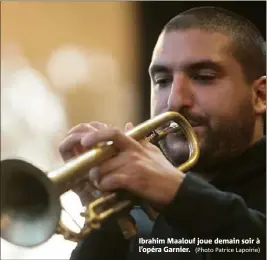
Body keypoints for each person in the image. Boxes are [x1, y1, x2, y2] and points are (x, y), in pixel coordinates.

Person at [59, 6, 266, 260]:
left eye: (203, 77)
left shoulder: (174, 196)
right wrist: (107, 222)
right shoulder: (140, 208)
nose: (174, 101)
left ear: (260, 96)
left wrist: (177, 193)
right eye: (162, 81)